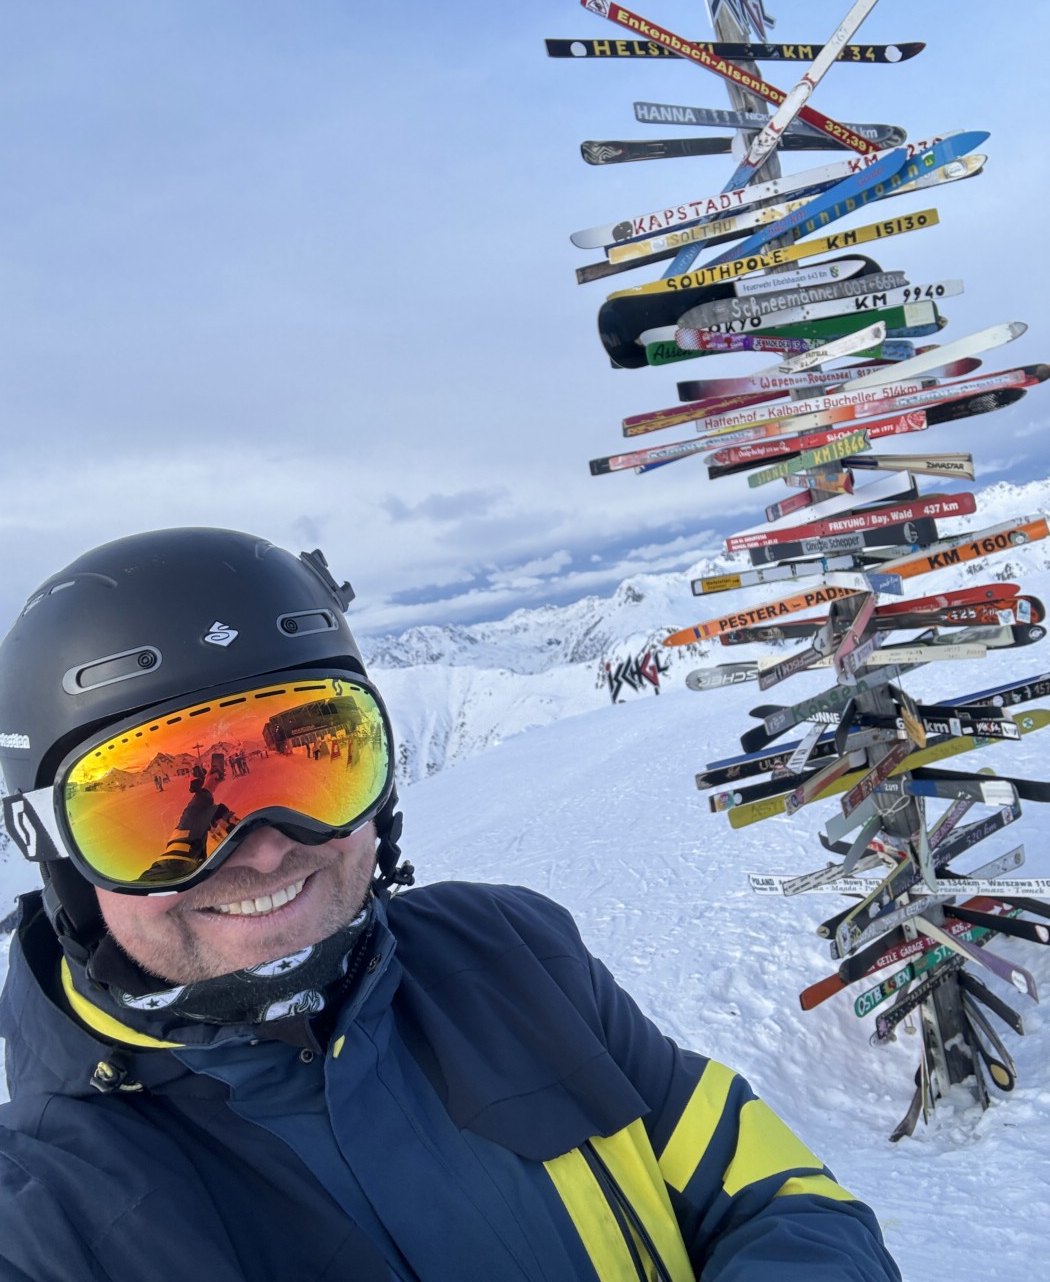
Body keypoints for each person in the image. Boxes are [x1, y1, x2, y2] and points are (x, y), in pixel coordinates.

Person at [0, 527, 902, 1281]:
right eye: (158, 806)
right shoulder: (47, 1213)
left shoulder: (511, 953)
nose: (265, 848)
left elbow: (778, 1197)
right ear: (56, 853)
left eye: (312, 759)